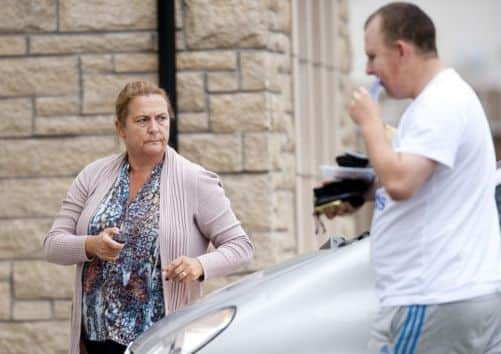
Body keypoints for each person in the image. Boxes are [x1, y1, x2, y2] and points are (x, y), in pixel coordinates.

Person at [334, 2, 501, 353]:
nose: (368, 69)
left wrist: (370, 123)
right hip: (443, 296)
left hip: (432, 297)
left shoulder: (440, 103)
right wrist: (357, 192)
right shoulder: (437, 102)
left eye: (372, 56)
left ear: (400, 51)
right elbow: (415, 179)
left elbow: (401, 182)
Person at [43, 80, 254, 354]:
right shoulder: (92, 176)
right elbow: (52, 245)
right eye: (142, 120)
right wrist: (90, 245)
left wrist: (199, 265)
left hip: (161, 341)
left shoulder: (195, 180)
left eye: (161, 118)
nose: (154, 128)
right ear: (121, 128)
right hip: (94, 339)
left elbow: (241, 246)